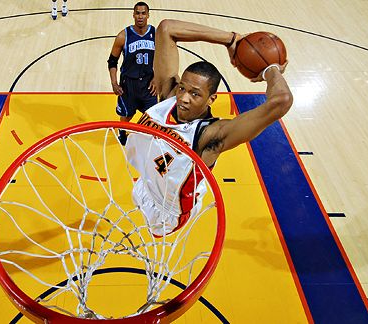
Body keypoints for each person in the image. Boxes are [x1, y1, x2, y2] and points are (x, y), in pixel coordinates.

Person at [125, 19, 292, 237]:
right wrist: (230, 40)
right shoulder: (169, 95)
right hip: (145, 184)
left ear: (211, 99)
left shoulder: (210, 135)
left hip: (169, 212)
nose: (183, 98)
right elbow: (167, 29)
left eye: (195, 94)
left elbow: (281, 101)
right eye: (182, 88)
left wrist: (271, 69)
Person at [107, 2, 157, 144]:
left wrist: (157, 78)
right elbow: (112, 61)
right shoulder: (123, 36)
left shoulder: (155, 34)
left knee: (153, 117)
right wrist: (114, 83)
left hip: (148, 84)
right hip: (129, 84)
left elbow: (162, 58)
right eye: (137, 13)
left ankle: (148, 139)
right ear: (133, 15)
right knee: (126, 116)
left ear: (148, 15)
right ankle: (122, 133)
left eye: (143, 13)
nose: (140, 16)